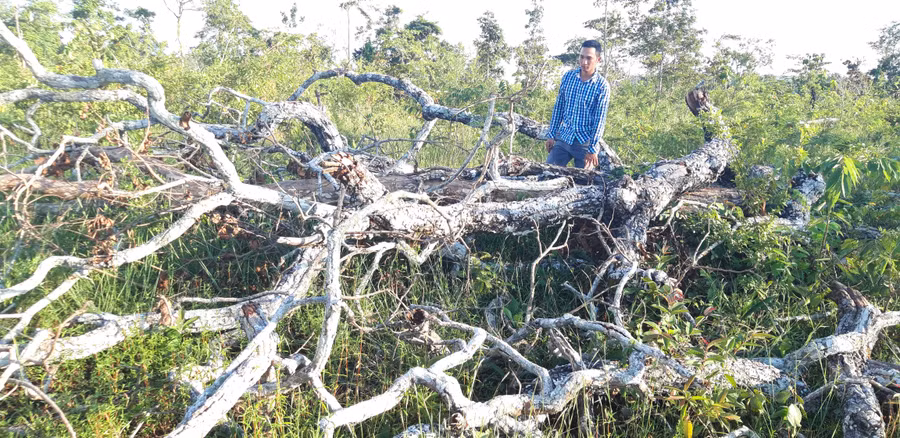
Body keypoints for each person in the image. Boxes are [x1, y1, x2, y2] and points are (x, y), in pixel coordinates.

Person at [545, 40, 610, 170]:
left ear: (598, 59)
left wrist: (592, 149)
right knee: (547, 172)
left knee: (585, 182)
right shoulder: (568, 77)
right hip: (565, 137)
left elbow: (599, 120)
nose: (584, 62)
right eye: (581, 57)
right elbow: (559, 107)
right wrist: (551, 135)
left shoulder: (602, 86)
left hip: (585, 142)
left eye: (589, 58)